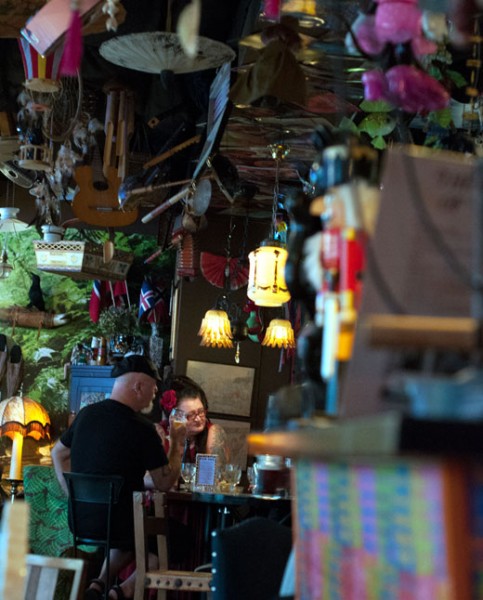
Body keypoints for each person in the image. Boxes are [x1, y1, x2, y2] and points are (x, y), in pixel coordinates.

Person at [51, 354, 186, 600]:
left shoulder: (85, 415)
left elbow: (57, 453)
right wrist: (177, 442)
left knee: (129, 536)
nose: (154, 395)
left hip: (80, 521)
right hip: (121, 524)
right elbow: (164, 483)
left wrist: (72, 493)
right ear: (138, 386)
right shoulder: (142, 429)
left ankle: (98, 586)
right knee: (172, 535)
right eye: (154, 389)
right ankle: (120, 592)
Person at [155, 374, 230, 467]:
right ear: (175, 417)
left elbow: (217, 474)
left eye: (201, 412)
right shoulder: (159, 432)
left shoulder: (213, 431)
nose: (198, 419)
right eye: (190, 415)